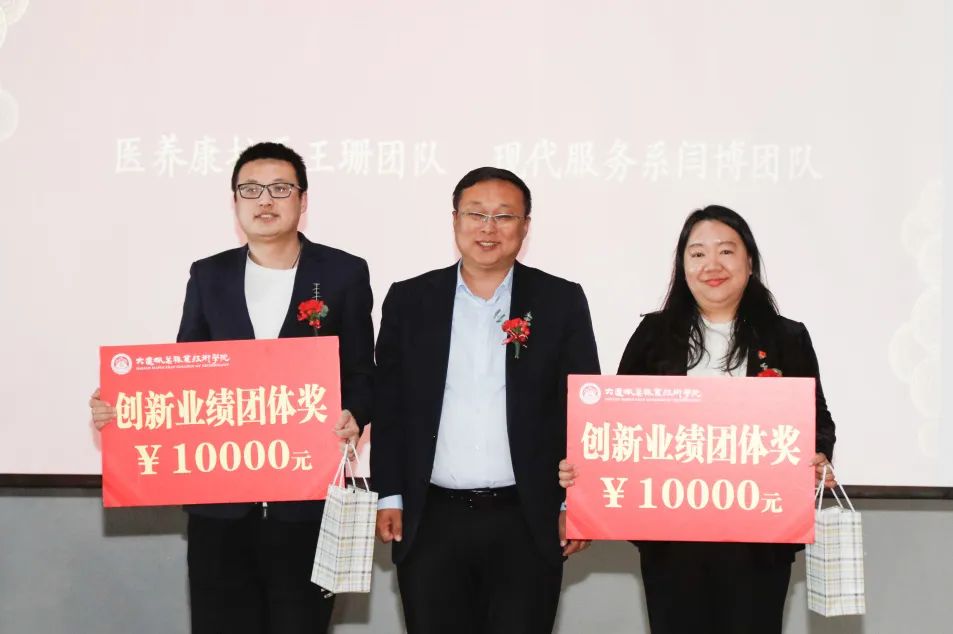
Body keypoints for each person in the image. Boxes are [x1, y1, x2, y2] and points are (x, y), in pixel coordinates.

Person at [88, 142, 374, 634]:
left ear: (303, 200)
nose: (265, 200)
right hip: (219, 510)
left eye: (280, 188)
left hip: (306, 505)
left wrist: (356, 412)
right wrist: (125, 405)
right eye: (251, 189)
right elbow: (183, 375)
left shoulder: (342, 273)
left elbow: (363, 372)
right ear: (235, 201)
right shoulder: (209, 275)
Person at [560, 205, 837, 634]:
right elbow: (617, 423)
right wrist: (586, 470)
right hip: (672, 538)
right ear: (683, 266)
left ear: (749, 262)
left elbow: (817, 419)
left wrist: (818, 457)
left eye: (726, 251)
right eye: (697, 254)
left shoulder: (786, 337)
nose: (712, 265)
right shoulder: (654, 336)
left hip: (759, 538)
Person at [371, 167, 600, 634]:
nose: (488, 228)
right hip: (431, 518)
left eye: (504, 216)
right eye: (476, 214)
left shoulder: (559, 300)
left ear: (525, 226)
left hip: (527, 517)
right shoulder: (409, 300)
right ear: (455, 220)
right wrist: (389, 493)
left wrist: (574, 504)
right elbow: (390, 405)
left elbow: (582, 407)